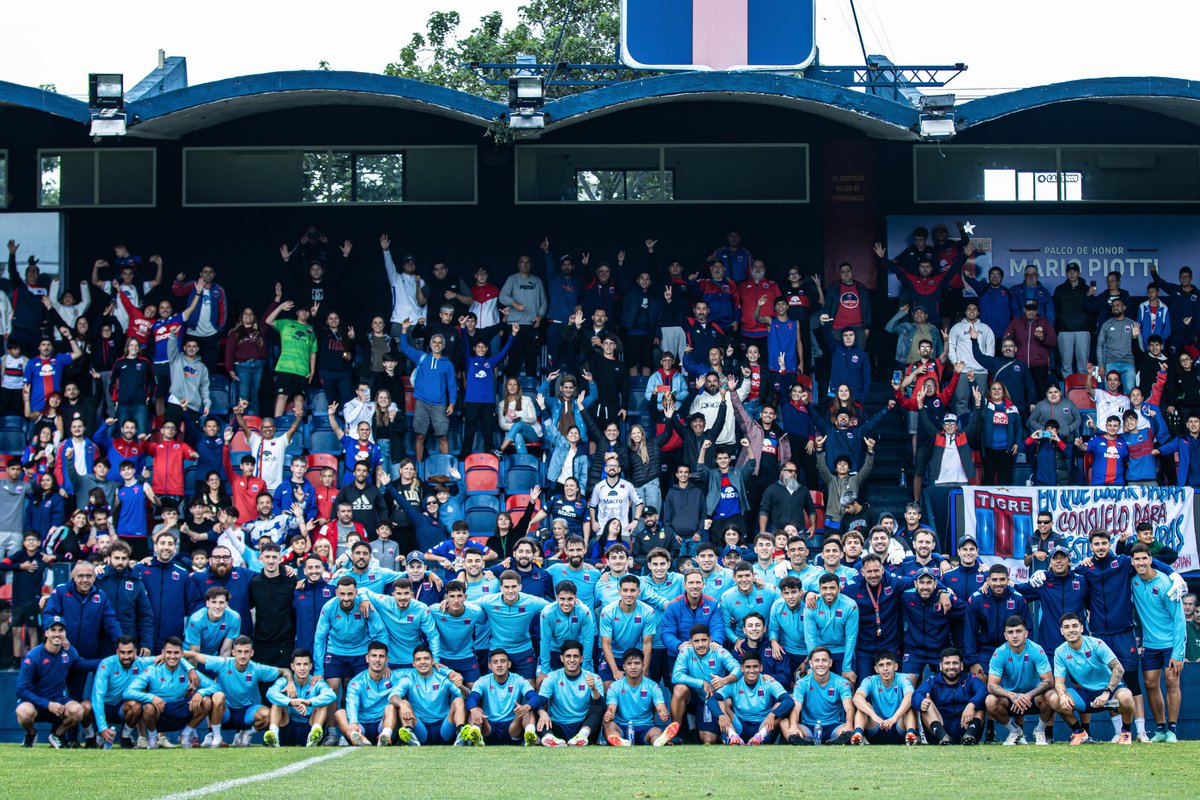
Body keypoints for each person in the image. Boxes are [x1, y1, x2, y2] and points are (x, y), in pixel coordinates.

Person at [1130, 543, 1186, 742]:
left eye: (1144, 558)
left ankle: (1172, 729)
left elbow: (1179, 621)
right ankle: (1161, 729)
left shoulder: (1166, 584)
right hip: (1150, 644)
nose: (1141, 562)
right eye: (1137, 559)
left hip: (1171, 643)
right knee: (1150, 684)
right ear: (1132, 562)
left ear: (1151, 559)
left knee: (1172, 682)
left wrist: (1178, 653)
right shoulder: (1133, 581)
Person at [190, 635, 289, 747]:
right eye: (239, 651)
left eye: (246, 652)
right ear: (233, 652)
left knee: (268, 715)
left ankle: (245, 734)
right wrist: (181, 659)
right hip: (224, 712)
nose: (242, 655)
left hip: (246, 712)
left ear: (251, 653)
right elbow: (194, 655)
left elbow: (284, 671)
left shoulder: (256, 668)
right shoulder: (223, 663)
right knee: (217, 696)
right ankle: (216, 736)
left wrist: (290, 683)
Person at [1053, 613, 1135, 745]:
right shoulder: (1060, 652)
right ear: (1062, 631)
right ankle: (1079, 733)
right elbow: (1059, 682)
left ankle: (1125, 732)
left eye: (1075, 626)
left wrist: (1106, 692)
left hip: (1110, 693)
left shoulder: (1096, 644)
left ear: (1081, 628)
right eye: (1067, 627)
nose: (1071, 630)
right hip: (1086, 695)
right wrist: (1062, 695)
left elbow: (1119, 669)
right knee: (1055, 698)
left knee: (1126, 696)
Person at [124, 637, 218, 749]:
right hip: (160, 711)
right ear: (163, 653)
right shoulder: (152, 670)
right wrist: (151, 697)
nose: (172, 656)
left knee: (206, 701)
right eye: (169, 652)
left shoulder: (189, 671)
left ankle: (186, 734)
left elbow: (216, 686)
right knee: (148, 707)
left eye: (176, 653)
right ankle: (153, 739)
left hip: (181, 709)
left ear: (182, 654)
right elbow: (128, 692)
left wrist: (200, 693)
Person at [984, 615, 1056, 746]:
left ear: (1026, 633)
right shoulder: (999, 653)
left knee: (1052, 696)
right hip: (1011, 699)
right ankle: (1015, 731)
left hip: (1034, 698)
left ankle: (1040, 731)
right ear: (1005, 635)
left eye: (1019, 631)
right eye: (1010, 632)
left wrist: (1028, 695)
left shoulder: (1036, 649)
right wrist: (1012, 695)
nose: (1015, 636)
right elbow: (991, 686)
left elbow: (1049, 681)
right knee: (990, 700)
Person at [15, 618, 87, 748]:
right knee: (23, 712)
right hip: (35, 703)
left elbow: (82, 665)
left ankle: (57, 735)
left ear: (65, 633)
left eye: (61, 630)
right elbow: (21, 690)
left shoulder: (69, 651)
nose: (57, 634)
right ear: (46, 633)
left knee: (78, 711)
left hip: (58, 700)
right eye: (53, 630)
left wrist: (107, 661)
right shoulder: (34, 656)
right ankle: (31, 734)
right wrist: (47, 704)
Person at [398, 319, 455, 463]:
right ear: (430, 344)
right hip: (422, 403)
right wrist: (404, 331)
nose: (437, 344)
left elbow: (451, 385)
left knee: (442, 436)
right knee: (420, 436)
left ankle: (445, 467)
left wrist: (452, 403)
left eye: (439, 343)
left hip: (439, 404)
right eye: (434, 342)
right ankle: (417, 468)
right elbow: (404, 348)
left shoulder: (448, 364)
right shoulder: (422, 357)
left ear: (443, 346)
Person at [535, 638, 606, 747]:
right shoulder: (552, 677)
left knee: (597, 709)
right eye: (568, 656)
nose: (572, 660)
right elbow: (540, 702)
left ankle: (581, 737)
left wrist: (594, 689)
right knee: (534, 708)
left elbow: (602, 708)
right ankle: (549, 738)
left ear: (581, 659)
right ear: (562, 658)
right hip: (558, 726)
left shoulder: (594, 678)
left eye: (575, 656)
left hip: (584, 727)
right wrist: (542, 713)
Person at [393, 644, 468, 746]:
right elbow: (393, 697)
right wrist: (402, 704)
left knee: (459, 700)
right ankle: (410, 735)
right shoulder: (408, 679)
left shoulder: (443, 678)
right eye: (418, 659)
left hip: (443, 727)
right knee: (403, 702)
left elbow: (466, 695)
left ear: (433, 661)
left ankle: (461, 734)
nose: (422, 662)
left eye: (426, 658)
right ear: (413, 663)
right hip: (420, 727)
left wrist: (461, 687)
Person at [712, 651, 793, 745]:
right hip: (739, 726)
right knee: (720, 702)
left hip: (763, 725)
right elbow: (712, 700)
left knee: (779, 705)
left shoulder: (768, 681)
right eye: (748, 667)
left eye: (755, 666)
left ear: (761, 668)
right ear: (742, 668)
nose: (751, 670)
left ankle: (759, 738)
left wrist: (772, 715)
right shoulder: (734, 683)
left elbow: (789, 700)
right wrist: (720, 716)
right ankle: (732, 736)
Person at [464, 649, 542, 746]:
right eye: (495, 662)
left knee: (528, 710)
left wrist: (526, 707)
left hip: (512, 728)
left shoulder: (518, 679)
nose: (499, 665)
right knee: (475, 710)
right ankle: (476, 736)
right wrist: (473, 709)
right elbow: (471, 698)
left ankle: (530, 736)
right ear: (490, 666)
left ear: (509, 664)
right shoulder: (483, 681)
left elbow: (535, 697)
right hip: (489, 726)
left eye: (503, 661)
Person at [781, 646, 853, 745]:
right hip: (808, 727)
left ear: (830, 663)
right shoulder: (802, 683)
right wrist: (793, 726)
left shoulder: (841, 682)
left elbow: (849, 708)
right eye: (816, 660)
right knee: (784, 723)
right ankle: (799, 741)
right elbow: (796, 709)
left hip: (834, 727)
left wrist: (848, 725)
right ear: (811, 663)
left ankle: (841, 739)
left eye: (824, 660)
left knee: (849, 727)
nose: (820, 664)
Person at [912, 648, 986, 745]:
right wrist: (921, 702)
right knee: (927, 702)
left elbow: (983, 691)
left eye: (955, 663)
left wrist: (972, 704)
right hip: (940, 731)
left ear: (962, 666)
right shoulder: (932, 681)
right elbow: (916, 695)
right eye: (947, 663)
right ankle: (944, 738)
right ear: (941, 666)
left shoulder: (970, 679)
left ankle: (969, 737)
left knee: (980, 703)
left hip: (967, 727)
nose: (951, 667)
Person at [264, 648, 336, 748]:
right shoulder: (285, 681)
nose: (302, 668)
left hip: (309, 726)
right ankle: (274, 736)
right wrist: (291, 702)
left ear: (310, 666)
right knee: (277, 703)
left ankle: (313, 738)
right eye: (298, 664)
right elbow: (270, 693)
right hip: (288, 727)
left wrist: (308, 702)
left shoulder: (316, 682)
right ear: (292, 666)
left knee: (322, 705)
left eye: (305, 664)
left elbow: (332, 695)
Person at [602, 649, 674, 747]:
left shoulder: (653, 686)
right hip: (621, 726)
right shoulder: (615, 686)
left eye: (637, 663)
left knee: (656, 731)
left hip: (645, 726)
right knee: (608, 726)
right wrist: (609, 714)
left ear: (643, 666)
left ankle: (658, 741)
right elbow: (611, 708)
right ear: (624, 667)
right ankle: (620, 742)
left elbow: (661, 708)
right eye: (629, 663)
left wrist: (664, 714)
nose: (633, 667)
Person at [337, 640, 400, 746]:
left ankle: (385, 736)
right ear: (367, 658)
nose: (377, 660)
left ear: (387, 660)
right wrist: (353, 723)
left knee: (392, 707)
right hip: (362, 727)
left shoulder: (395, 677)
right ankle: (355, 737)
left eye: (381, 656)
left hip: (383, 723)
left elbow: (415, 673)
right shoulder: (356, 682)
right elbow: (352, 703)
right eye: (374, 656)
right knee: (340, 713)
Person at [263, 294, 317, 419]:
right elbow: (268, 321)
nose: (304, 313)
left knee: (299, 398)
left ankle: (297, 428)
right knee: (282, 396)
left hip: (302, 369)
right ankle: (277, 425)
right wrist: (280, 307)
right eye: (302, 311)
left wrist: (312, 371)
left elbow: (313, 352)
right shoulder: (286, 323)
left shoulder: (311, 330)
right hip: (286, 367)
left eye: (307, 311)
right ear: (297, 312)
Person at [850, 650, 918, 746]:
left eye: (889, 664)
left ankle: (910, 735)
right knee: (864, 706)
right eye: (881, 665)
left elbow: (910, 696)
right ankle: (858, 735)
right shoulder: (870, 680)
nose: (885, 669)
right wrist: (875, 717)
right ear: (876, 669)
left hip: (898, 727)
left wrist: (894, 718)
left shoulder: (903, 678)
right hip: (877, 726)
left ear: (896, 666)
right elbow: (857, 698)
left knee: (909, 708)